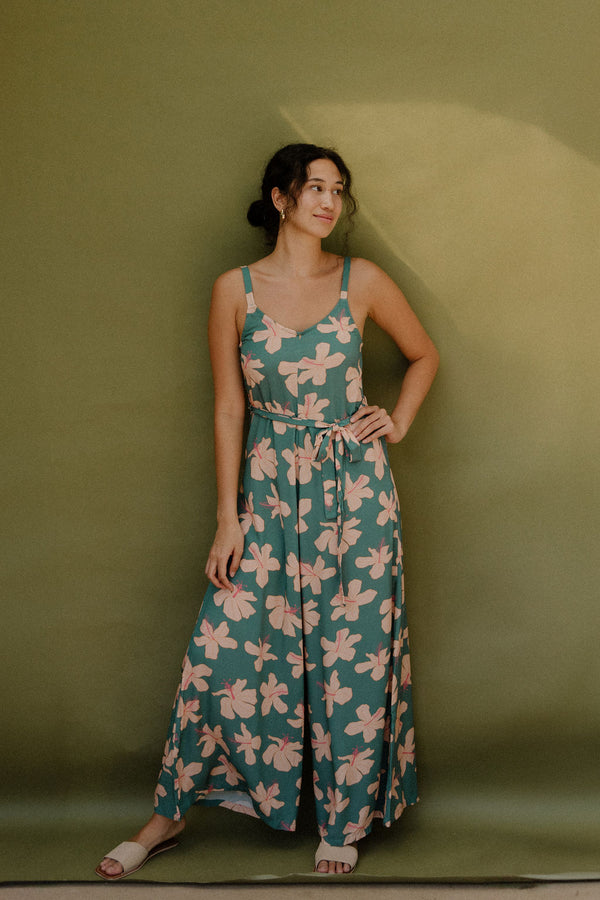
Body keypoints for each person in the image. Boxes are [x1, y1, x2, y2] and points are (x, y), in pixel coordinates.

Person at [96, 143, 439, 879]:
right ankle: (166, 818)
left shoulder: (363, 280)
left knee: (353, 659)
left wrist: (397, 422)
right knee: (223, 652)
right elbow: (228, 407)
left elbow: (424, 355)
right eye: (313, 186)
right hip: (269, 490)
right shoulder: (234, 290)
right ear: (280, 198)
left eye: (338, 190)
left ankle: (343, 823)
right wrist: (230, 517)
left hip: (356, 496)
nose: (328, 201)